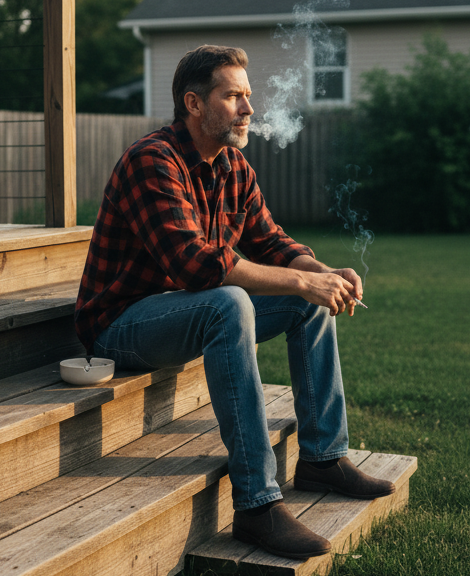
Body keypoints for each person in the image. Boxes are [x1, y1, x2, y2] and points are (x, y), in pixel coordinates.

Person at [74, 45, 393, 560]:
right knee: (230, 303)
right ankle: (256, 505)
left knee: (303, 302)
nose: (249, 108)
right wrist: (299, 282)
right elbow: (196, 266)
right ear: (194, 104)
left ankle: (322, 459)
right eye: (234, 96)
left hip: (183, 311)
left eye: (249, 96)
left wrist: (321, 273)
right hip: (120, 327)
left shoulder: (233, 167)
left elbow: (271, 242)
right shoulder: (152, 161)